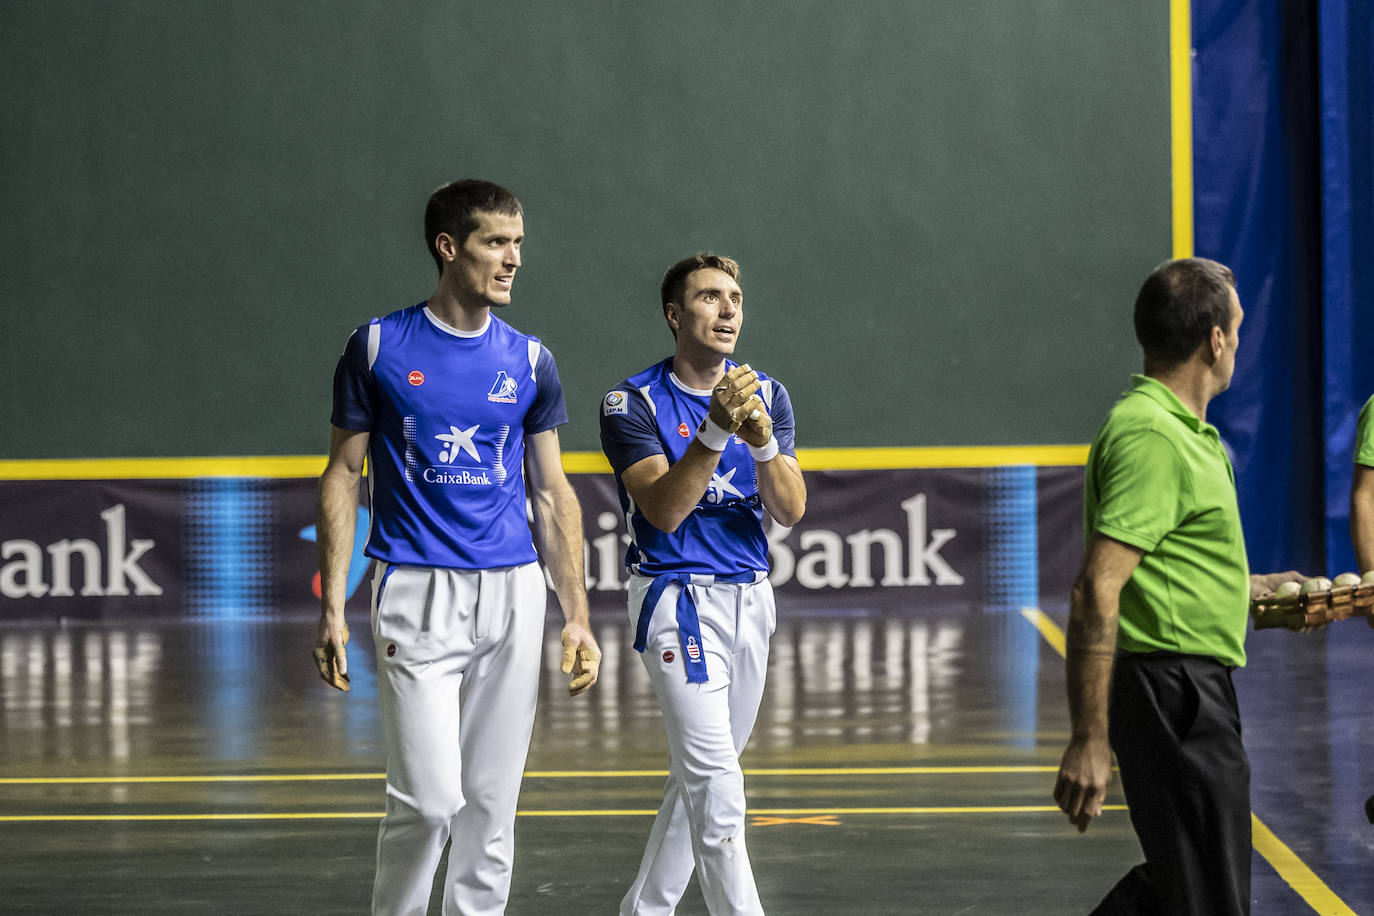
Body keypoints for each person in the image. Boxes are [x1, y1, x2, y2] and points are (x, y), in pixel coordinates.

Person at [313, 179, 601, 916]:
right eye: (495, 243)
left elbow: (551, 491)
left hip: (512, 591)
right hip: (415, 590)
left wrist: (576, 613)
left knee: (490, 807)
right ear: (449, 248)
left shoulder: (531, 359)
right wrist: (335, 610)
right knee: (431, 800)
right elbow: (345, 474)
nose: (513, 260)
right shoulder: (378, 345)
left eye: (518, 244)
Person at [1052, 257, 1302, 914]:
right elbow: (1097, 588)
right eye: (1238, 329)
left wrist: (1251, 590)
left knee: (1182, 886)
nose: (1239, 344)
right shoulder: (1151, 434)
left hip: (1190, 689)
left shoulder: (1185, 435)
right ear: (1215, 339)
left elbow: (1165, 569)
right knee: (1207, 894)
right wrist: (1089, 737)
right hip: (1174, 695)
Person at [599, 254, 806, 915]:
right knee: (719, 792)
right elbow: (663, 510)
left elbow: (792, 509)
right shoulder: (630, 403)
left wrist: (764, 442)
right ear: (675, 315)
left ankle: (644, 910)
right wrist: (717, 430)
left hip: (752, 601)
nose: (728, 310)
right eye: (710, 298)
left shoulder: (768, 394)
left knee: (698, 781)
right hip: (677, 601)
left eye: (736, 299)